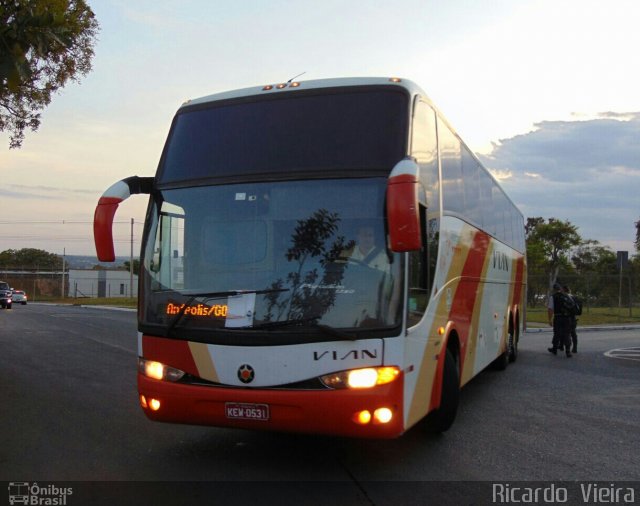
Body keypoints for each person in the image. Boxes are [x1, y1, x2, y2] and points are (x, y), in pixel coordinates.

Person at [547, 282, 574, 358]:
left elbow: (550, 309)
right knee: (567, 334)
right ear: (560, 289)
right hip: (567, 318)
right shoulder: (567, 296)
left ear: (554, 289)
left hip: (558, 317)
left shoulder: (553, 297)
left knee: (556, 333)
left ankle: (554, 349)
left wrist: (550, 320)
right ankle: (568, 351)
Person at [563, 285, 580, 353]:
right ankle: (575, 347)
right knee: (573, 333)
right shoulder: (574, 297)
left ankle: (567, 348)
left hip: (567, 317)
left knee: (567, 333)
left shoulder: (564, 297)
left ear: (564, 290)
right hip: (574, 317)